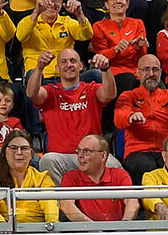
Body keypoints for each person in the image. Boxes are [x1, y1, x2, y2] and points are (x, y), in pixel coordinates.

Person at [27, 46, 117, 180]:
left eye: (73, 61)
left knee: (114, 166)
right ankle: (59, 202)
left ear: (81, 66)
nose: (69, 65)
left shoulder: (91, 89)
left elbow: (109, 94)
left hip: (92, 156)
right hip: (62, 158)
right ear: (57, 68)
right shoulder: (51, 92)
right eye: (64, 62)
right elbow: (32, 93)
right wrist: (39, 68)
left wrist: (105, 69)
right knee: (47, 160)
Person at [111, 54, 168, 179]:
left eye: (155, 70)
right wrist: (130, 116)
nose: (151, 73)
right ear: (137, 73)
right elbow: (119, 118)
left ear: (160, 73)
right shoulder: (128, 96)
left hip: (167, 151)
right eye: (146, 69)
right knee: (145, 166)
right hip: (138, 151)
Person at [0, 128, 56, 223]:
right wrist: (1, 224)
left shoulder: (42, 178)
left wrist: (52, 225)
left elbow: (50, 205)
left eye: (24, 148)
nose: (19, 153)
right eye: (14, 148)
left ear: (31, 154)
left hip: (36, 231)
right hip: (2, 232)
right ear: (5, 152)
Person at [59, 134, 136, 222]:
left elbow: (132, 202)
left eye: (86, 151)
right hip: (86, 232)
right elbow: (66, 205)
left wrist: (124, 226)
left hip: (117, 231)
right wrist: (93, 228)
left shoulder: (120, 175)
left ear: (103, 156)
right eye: (78, 150)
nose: (80, 156)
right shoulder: (71, 177)